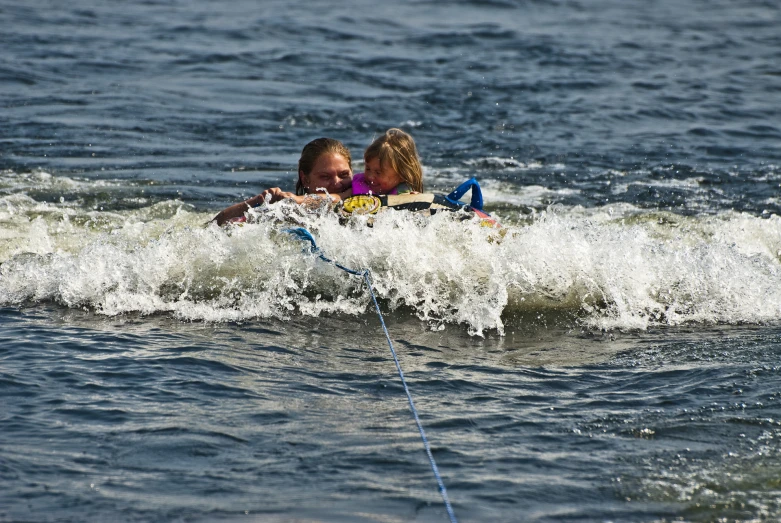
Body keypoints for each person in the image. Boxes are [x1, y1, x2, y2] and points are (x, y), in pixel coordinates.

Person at [212, 137, 353, 225]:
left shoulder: (369, 197)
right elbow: (215, 224)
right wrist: (256, 202)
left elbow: (333, 199)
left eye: (344, 174)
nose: (337, 183)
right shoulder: (288, 212)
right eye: (325, 177)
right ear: (305, 179)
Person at [351, 128, 423, 196]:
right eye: (368, 169)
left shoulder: (406, 196)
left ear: (401, 176)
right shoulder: (356, 184)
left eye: (378, 172)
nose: (370, 177)